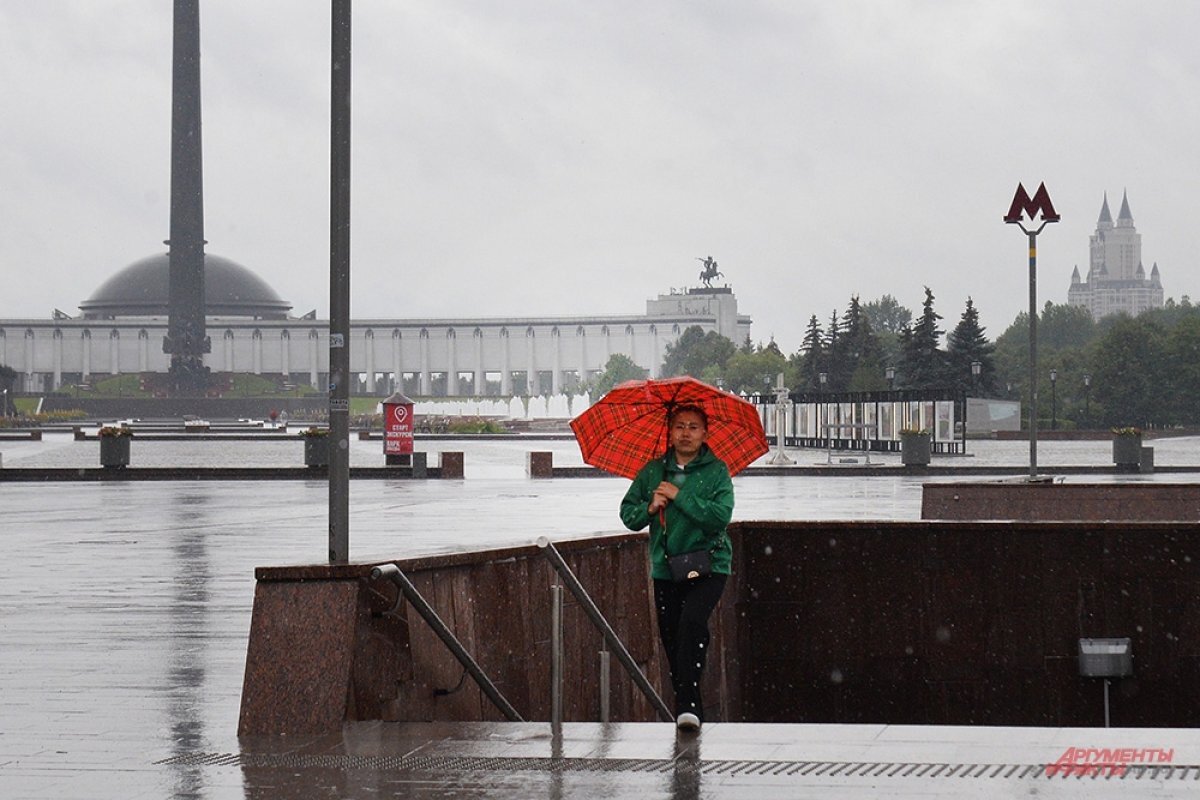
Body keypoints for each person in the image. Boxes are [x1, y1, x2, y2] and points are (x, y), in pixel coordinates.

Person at [619, 404, 734, 732]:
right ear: (669, 432)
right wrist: (650, 506)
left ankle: (688, 707)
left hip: (710, 565)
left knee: (691, 623)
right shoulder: (653, 471)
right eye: (680, 426)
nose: (686, 433)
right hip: (666, 569)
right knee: (672, 639)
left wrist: (679, 495)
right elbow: (628, 515)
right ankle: (690, 704)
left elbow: (719, 517)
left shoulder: (717, 472)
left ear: (705, 434)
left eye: (694, 427)